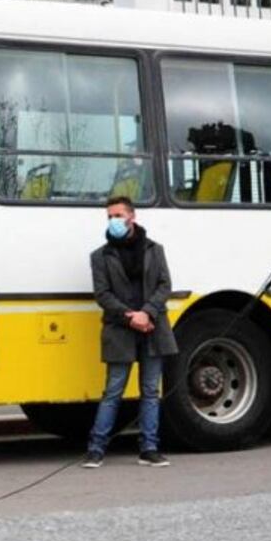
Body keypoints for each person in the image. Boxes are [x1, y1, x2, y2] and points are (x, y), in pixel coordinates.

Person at [82, 196, 178, 468]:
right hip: (121, 328)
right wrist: (130, 317)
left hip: (152, 327)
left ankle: (149, 448)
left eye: (117, 215)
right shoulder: (100, 256)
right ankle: (96, 448)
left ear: (131, 217)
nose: (113, 221)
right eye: (109, 217)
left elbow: (164, 285)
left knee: (150, 390)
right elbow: (103, 295)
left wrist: (147, 312)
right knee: (113, 390)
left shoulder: (154, 249)